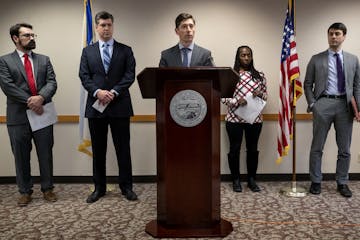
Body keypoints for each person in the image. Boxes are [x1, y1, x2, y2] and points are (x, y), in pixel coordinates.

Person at [79, 11, 138, 203]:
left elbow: (129, 75)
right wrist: (98, 92)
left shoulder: (125, 50)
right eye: (102, 25)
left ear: (113, 26)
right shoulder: (87, 52)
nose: (106, 28)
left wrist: (113, 91)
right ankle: (99, 188)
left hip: (119, 105)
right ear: (96, 27)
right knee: (99, 150)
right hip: (96, 107)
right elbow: (84, 76)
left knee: (123, 149)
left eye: (109, 25)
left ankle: (126, 188)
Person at [0, 23, 58, 206]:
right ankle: (25, 191)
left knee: (45, 153)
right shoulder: (4, 61)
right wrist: (31, 101)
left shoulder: (44, 59)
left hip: (42, 114)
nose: (32, 38)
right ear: (15, 38)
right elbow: (8, 86)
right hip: (18, 117)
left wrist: (41, 97)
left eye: (33, 35)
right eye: (27, 35)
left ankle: (48, 189)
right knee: (21, 155)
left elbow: (52, 82)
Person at [304, 22, 360, 198]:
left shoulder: (353, 59)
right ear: (327, 36)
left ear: (344, 36)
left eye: (337, 33)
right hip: (323, 105)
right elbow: (307, 84)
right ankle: (316, 181)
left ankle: (342, 182)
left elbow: (357, 86)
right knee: (317, 146)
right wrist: (314, 104)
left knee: (345, 148)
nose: (333, 37)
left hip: (345, 106)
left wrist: (358, 107)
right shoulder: (316, 58)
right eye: (331, 34)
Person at [221, 46, 267, 192]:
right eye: (243, 55)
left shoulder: (260, 75)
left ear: (252, 57)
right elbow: (222, 97)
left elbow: (266, 97)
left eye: (248, 55)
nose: (246, 58)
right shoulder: (231, 75)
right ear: (238, 57)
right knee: (234, 150)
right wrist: (236, 101)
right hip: (234, 120)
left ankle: (252, 180)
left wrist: (260, 94)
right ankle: (236, 180)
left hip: (254, 119)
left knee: (252, 150)